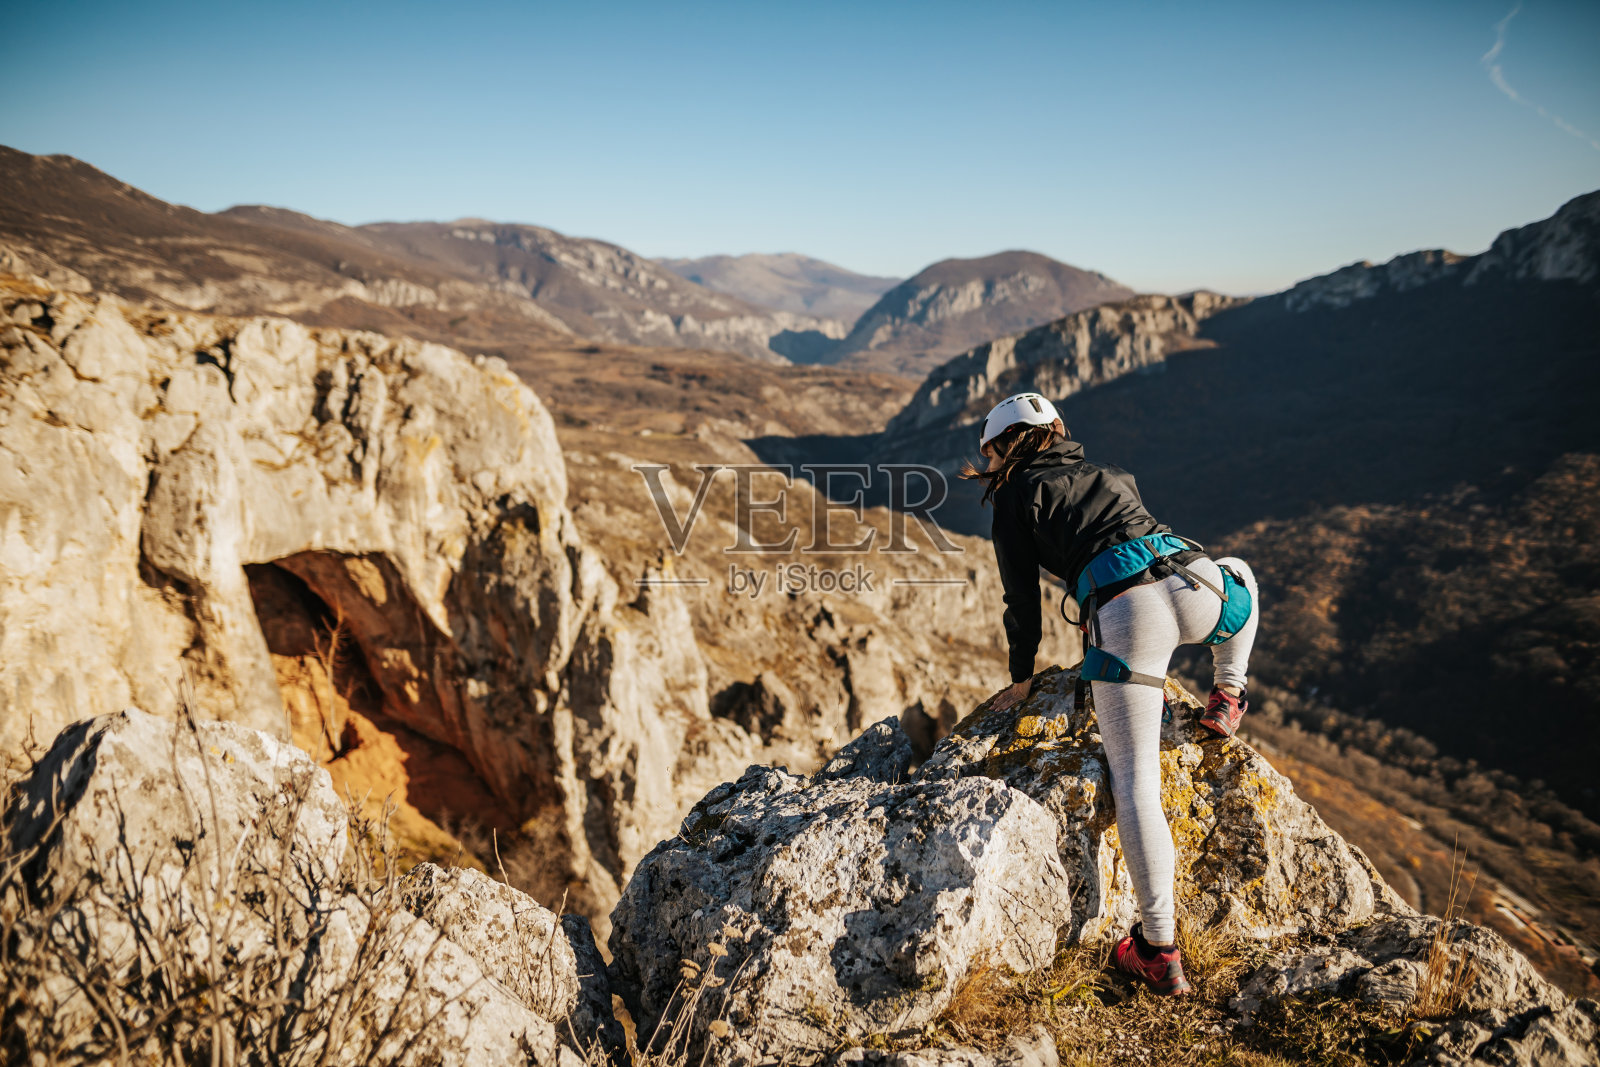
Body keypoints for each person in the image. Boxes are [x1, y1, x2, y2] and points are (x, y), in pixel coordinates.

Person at [963, 391, 1261, 997]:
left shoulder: (1015, 496)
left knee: (1136, 781)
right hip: (1190, 575)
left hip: (1130, 612)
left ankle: (1157, 947)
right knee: (1243, 574)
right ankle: (1228, 693)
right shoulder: (1109, 472)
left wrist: (1023, 677)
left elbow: (1021, 600)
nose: (985, 461)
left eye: (988, 450)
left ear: (1005, 445)